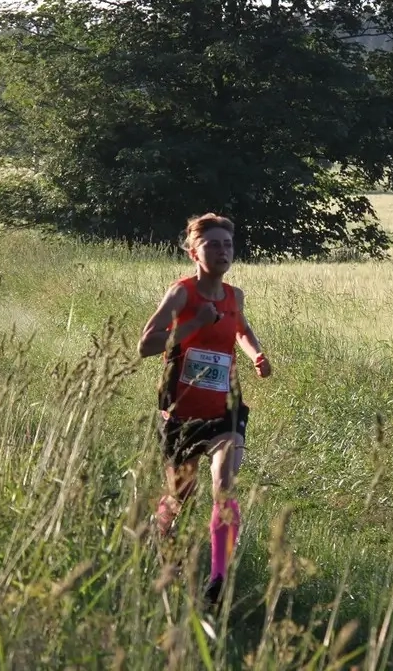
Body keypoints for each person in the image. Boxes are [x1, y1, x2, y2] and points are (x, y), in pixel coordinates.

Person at [137, 213, 272, 605]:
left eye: (227, 244)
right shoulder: (181, 294)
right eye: (213, 244)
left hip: (226, 406)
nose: (222, 251)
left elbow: (241, 329)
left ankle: (218, 579)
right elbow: (146, 345)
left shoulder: (234, 296)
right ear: (194, 251)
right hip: (181, 410)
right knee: (181, 494)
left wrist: (256, 354)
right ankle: (161, 532)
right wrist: (194, 321)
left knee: (224, 483)